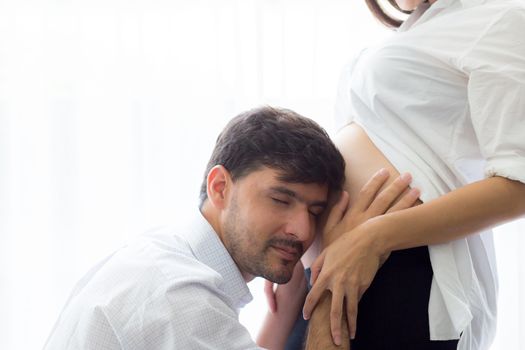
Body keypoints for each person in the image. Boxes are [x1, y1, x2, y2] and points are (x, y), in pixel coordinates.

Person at [43, 106, 417, 349]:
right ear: (220, 187)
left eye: (315, 211)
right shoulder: (179, 297)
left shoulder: (163, 257)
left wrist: (287, 304)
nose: (303, 231)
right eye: (281, 200)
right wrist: (329, 285)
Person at [293, 0, 525, 349]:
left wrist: (374, 237)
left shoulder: (500, 17)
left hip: (403, 261)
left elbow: (518, 184)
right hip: (337, 260)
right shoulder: (413, 31)